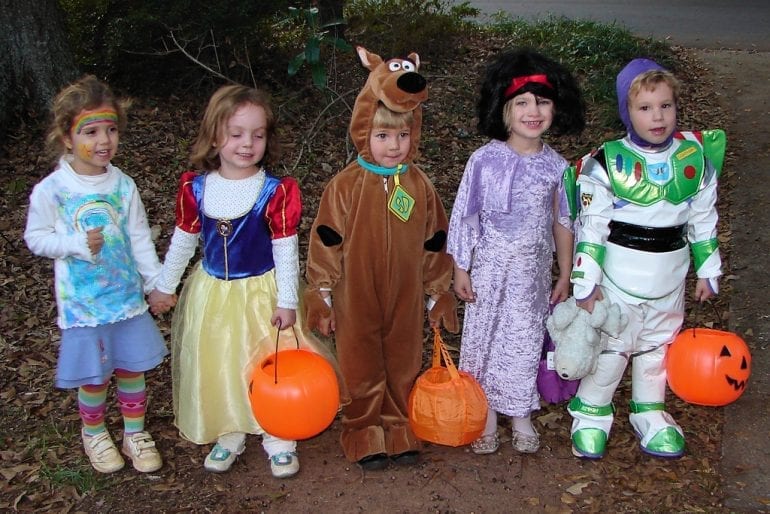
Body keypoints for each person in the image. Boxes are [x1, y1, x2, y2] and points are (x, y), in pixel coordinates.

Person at [150, 85, 334, 478]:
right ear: (215, 137)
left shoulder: (275, 191)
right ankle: (230, 429)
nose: (247, 144)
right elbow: (183, 241)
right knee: (221, 360)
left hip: (262, 294)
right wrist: (166, 285)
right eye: (236, 134)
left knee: (270, 361)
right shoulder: (196, 188)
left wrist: (287, 299)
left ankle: (278, 431)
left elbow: (286, 249)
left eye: (258, 134)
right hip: (212, 293)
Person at [304, 47, 459, 471]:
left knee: (403, 358)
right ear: (363, 133)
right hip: (355, 292)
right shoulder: (346, 185)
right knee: (360, 360)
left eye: (403, 136)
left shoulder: (419, 184)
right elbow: (326, 238)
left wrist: (437, 292)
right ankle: (362, 429)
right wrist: (320, 291)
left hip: (405, 294)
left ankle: (397, 424)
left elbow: (434, 240)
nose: (394, 146)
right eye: (383, 136)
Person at [565, 58, 725, 459]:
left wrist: (708, 271)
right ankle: (591, 413)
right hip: (619, 276)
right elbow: (592, 229)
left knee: (656, 348)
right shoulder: (605, 164)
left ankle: (650, 411)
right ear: (627, 111)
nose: (658, 116)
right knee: (612, 350)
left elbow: (703, 221)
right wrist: (586, 285)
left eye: (666, 106)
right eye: (645, 107)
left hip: (669, 276)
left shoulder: (694, 162)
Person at [24, 75, 168, 474]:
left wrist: (155, 283)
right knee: (95, 375)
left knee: (131, 367)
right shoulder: (53, 190)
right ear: (67, 138)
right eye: (90, 132)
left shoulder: (123, 186)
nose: (103, 141)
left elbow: (140, 238)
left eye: (110, 130)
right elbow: (36, 238)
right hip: (84, 305)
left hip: (126, 300)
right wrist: (72, 243)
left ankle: (134, 432)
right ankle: (94, 433)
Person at [447, 48, 586, 455]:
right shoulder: (483, 161)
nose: (533, 111)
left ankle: (521, 413)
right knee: (485, 340)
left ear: (555, 109)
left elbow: (563, 222)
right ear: (504, 111)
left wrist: (564, 272)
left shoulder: (558, 168)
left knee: (524, 340)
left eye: (542, 102)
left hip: (531, 272)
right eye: (522, 102)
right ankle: (485, 413)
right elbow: (465, 216)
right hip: (488, 268)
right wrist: (461, 267)